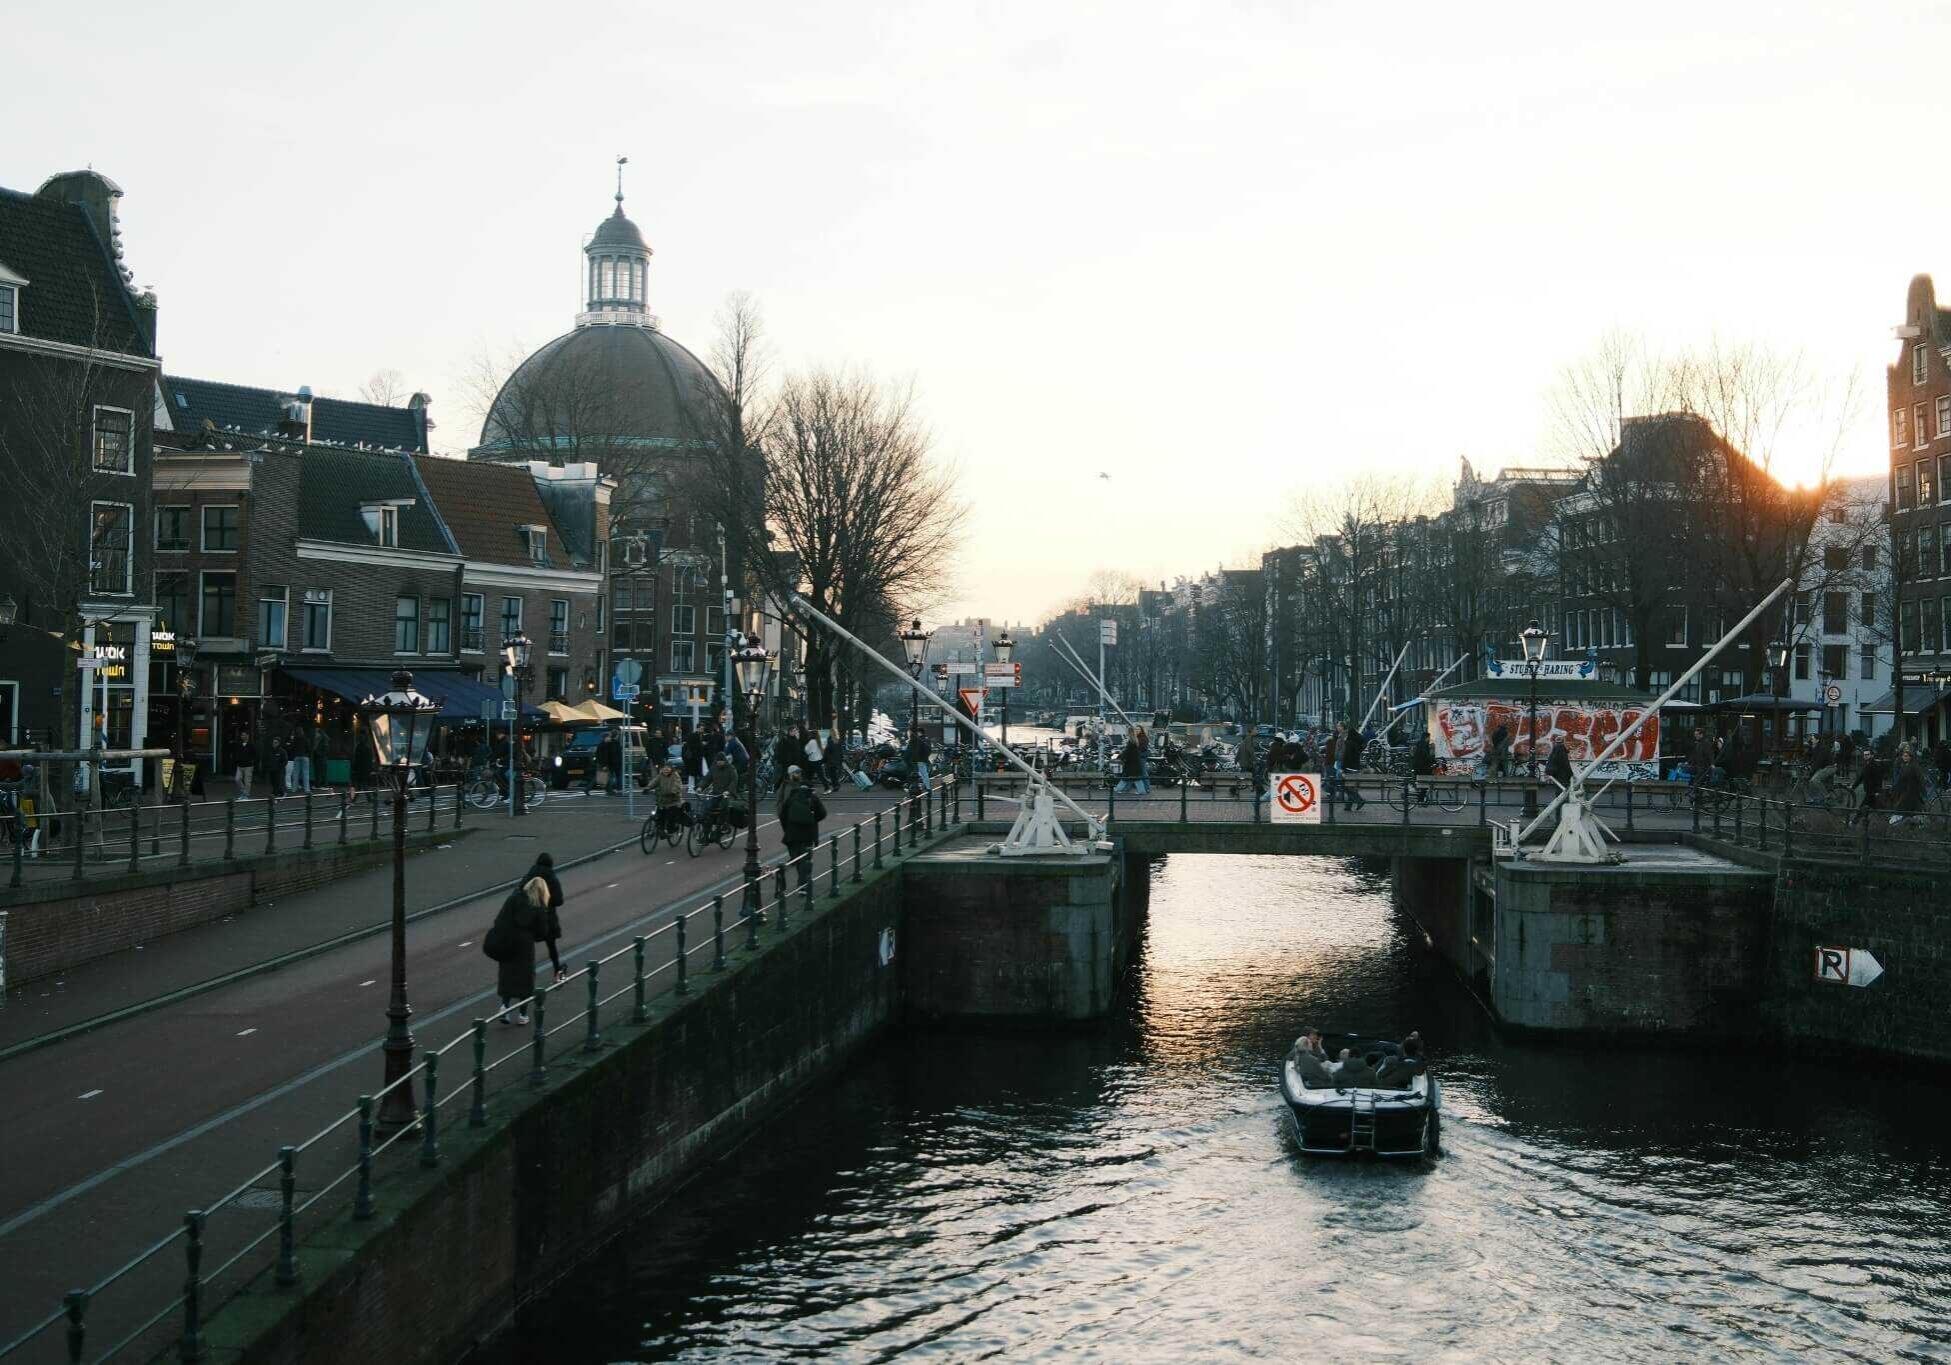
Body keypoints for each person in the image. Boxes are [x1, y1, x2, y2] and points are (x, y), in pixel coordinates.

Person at [489, 876, 552, 1025]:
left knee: (507, 973)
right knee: (525, 978)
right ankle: (522, 1014)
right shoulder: (539, 906)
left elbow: (499, 920)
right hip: (525, 946)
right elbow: (542, 931)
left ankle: (505, 1007)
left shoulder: (513, 899)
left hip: (508, 941)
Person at [519, 851, 567, 984]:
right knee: (551, 947)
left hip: (529, 918)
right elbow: (559, 900)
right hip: (547, 917)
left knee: (528, 949)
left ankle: (525, 976)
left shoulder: (529, 875)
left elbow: (520, 891)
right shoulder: (552, 878)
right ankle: (557, 973)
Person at [779, 766, 827, 889]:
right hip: (808, 834)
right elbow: (822, 814)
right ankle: (803, 884)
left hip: (792, 834)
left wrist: (787, 828)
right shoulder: (812, 798)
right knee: (806, 858)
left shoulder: (791, 797)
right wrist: (812, 819)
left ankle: (802, 882)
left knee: (798, 859)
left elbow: (783, 815)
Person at [1889, 743, 1926, 823]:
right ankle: (1913, 824)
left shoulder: (1914, 766)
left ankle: (1898, 825)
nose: (1904, 757)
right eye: (1904, 756)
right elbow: (1900, 780)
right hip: (1906, 792)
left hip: (1911, 792)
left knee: (1901, 809)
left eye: (1906, 756)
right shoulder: (1904, 765)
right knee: (1910, 810)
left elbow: (1921, 779)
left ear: (1910, 757)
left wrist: (1922, 790)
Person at [908, 728, 933, 792]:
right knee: (923, 773)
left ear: (919, 732)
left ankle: (928, 788)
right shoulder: (927, 739)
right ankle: (925, 786)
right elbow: (929, 749)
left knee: (923, 773)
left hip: (919, 759)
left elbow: (917, 750)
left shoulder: (919, 740)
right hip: (925, 759)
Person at [234, 731, 258, 796]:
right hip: (240, 765)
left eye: (244, 735)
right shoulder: (239, 744)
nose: (242, 736)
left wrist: (252, 762)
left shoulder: (251, 745)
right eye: (242, 735)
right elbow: (236, 753)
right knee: (237, 779)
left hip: (248, 766)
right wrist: (237, 760)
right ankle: (243, 790)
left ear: (248, 736)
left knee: (247, 781)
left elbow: (255, 755)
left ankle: (246, 794)